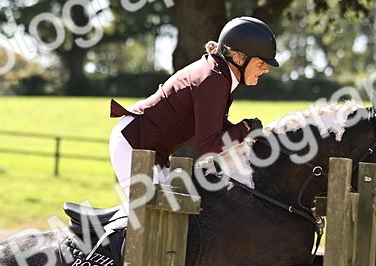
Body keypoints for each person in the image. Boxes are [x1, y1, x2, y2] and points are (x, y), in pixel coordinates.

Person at [108, 16, 278, 197]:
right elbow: (209, 145)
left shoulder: (221, 75)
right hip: (133, 144)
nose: (266, 69)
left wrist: (245, 131)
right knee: (147, 213)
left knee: (171, 213)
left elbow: (217, 128)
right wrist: (244, 128)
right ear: (238, 58)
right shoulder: (214, 80)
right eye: (261, 63)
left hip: (151, 152)